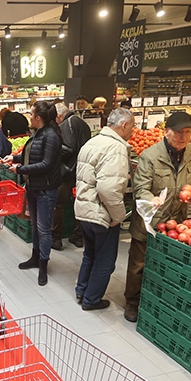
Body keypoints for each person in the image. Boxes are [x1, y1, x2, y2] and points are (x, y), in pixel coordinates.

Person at [123, 111, 191, 323]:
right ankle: (132, 302)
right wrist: (150, 199)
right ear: (166, 132)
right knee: (138, 264)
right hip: (149, 220)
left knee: (170, 262)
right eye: (178, 132)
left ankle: (160, 298)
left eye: (187, 132)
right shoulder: (150, 156)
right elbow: (140, 187)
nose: (183, 137)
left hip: (177, 221)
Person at [74, 108, 135, 310]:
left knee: (90, 253)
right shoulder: (116, 148)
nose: (133, 130)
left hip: (84, 208)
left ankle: (82, 291)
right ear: (124, 125)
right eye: (132, 126)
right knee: (105, 261)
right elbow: (107, 189)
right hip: (101, 213)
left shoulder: (93, 142)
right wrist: (118, 216)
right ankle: (91, 300)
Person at [2, 100, 63, 286]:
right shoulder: (37, 132)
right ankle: (35, 257)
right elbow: (31, 155)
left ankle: (44, 264)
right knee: (36, 225)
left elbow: (46, 164)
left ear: (39, 117)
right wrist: (14, 157)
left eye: (31, 113)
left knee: (43, 228)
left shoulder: (51, 136)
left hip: (45, 189)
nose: (29, 116)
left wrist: (20, 169)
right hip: (33, 187)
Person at [51, 103, 91, 250]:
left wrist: (53, 153)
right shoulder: (82, 123)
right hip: (82, 170)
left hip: (68, 172)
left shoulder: (66, 124)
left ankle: (56, 239)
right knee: (79, 202)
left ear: (58, 117)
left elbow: (68, 149)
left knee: (58, 204)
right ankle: (78, 236)